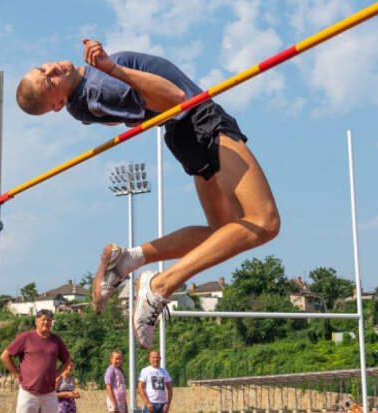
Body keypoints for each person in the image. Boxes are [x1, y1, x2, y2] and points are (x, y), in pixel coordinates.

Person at [16, 38, 280, 348]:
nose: (52, 68)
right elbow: (174, 98)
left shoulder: (84, 96)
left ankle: (130, 259)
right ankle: (160, 284)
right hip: (199, 121)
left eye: (42, 68)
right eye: (49, 80)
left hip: (185, 134)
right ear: (58, 103)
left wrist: (102, 69)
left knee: (223, 234)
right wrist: (112, 68)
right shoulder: (101, 85)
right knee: (263, 221)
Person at [0, 309, 71, 413]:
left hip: (49, 394)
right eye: (43, 319)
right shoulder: (25, 337)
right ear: (36, 321)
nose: (46, 322)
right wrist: (16, 373)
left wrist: (56, 374)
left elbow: (67, 360)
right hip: (28, 393)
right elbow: (5, 356)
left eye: (49, 320)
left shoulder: (56, 340)